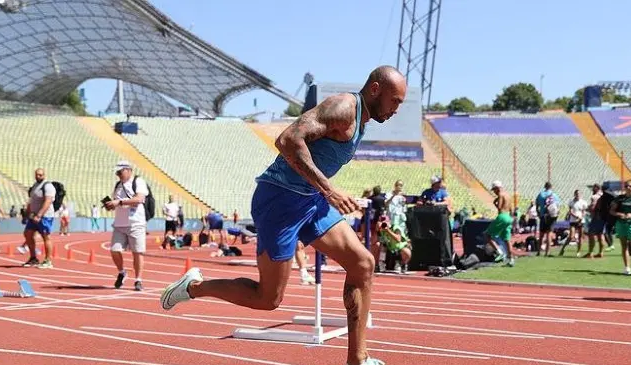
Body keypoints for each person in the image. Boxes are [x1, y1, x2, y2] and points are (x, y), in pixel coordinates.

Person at [160, 65, 406, 365]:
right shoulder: (343, 107)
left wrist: (326, 192)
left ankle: (357, 359)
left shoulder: (362, 121)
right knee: (268, 299)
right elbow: (288, 140)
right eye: (395, 101)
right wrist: (330, 190)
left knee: (363, 264)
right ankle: (193, 287)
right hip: (278, 201)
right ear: (376, 90)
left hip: (309, 202)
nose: (397, 109)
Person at [104, 161, 149, 291]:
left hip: (136, 222)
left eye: (120, 172)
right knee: (115, 250)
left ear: (128, 170)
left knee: (137, 252)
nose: (118, 174)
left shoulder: (138, 181)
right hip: (119, 223)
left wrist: (119, 202)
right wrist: (111, 205)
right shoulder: (118, 185)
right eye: (117, 172)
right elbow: (116, 203)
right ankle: (122, 272)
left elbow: (139, 199)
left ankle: (138, 280)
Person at [23, 168, 56, 268]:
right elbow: (31, 200)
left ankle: (48, 260)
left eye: (40, 175)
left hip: (45, 216)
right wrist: (27, 212)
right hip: (33, 216)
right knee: (28, 233)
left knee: (46, 236)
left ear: (44, 175)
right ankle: (33, 258)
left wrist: (39, 214)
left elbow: (48, 201)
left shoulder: (48, 186)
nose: (38, 176)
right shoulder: (35, 186)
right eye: (37, 175)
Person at [609, 180, 631, 275]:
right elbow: (612, 211)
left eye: (630, 186)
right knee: (624, 246)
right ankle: (627, 268)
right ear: (624, 188)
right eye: (626, 186)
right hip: (621, 224)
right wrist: (620, 214)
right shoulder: (620, 198)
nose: (628, 188)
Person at [484, 180, 515, 266]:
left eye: (494, 190)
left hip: (502, 216)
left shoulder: (501, 195)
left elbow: (500, 207)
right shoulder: (508, 195)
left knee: (487, 235)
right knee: (507, 240)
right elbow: (512, 209)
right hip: (509, 218)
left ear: (497, 188)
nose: (494, 192)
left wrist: (495, 203)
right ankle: (511, 259)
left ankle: (500, 252)